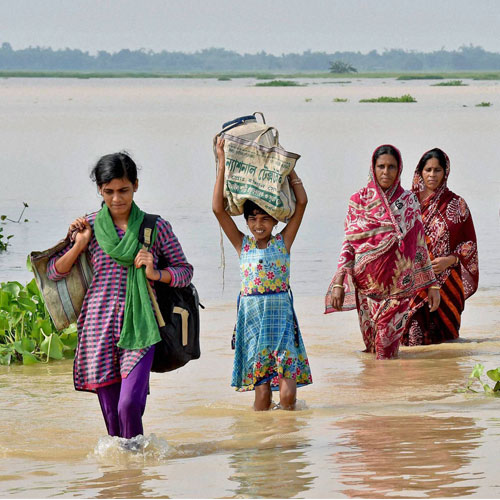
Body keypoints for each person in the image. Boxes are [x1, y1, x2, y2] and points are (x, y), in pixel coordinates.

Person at [48, 152, 193, 440]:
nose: (116, 199)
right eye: (109, 191)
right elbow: (55, 272)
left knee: (128, 405)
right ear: (100, 190)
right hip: (97, 328)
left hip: (142, 325)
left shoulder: (154, 227)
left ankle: (134, 461)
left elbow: (185, 271)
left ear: (136, 186)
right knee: (112, 419)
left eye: (123, 190)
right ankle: (127, 479)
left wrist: (156, 274)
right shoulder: (88, 226)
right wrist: (79, 245)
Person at [212, 137, 312, 410]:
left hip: (280, 318)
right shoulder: (242, 244)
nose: (258, 224)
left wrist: (287, 167)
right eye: (253, 219)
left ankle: (289, 436)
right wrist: (222, 161)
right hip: (253, 320)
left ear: (275, 220)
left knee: (288, 393)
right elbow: (218, 209)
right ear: (246, 221)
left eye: (265, 218)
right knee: (262, 395)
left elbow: (301, 203)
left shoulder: (283, 242)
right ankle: (264, 442)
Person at [325, 145, 440, 359]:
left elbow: (420, 245)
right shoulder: (358, 201)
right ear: (373, 168)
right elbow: (349, 243)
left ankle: (387, 388)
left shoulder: (408, 201)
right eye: (381, 166)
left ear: (399, 170)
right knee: (370, 349)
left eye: (391, 167)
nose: (386, 172)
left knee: (386, 351)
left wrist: (431, 284)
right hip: (366, 289)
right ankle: (377, 392)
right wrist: (339, 282)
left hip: (399, 289)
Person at [402, 148, 478, 346]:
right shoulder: (406, 203)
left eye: (437, 170)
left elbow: (469, 245)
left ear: (446, 172)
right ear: (420, 172)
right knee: (413, 338)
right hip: (414, 282)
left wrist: (449, 260)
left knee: (446, 343)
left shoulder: (457, 204)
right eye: (428, 170)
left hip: (447, 283)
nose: (432, 175)